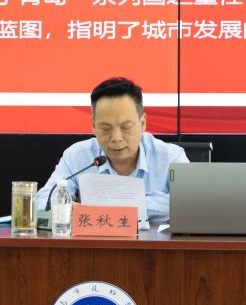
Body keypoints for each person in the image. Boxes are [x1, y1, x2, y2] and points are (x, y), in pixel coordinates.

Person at [36, 77, 188, 222]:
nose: (116, 137)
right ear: (93, 125)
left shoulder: (171, 158)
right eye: (106, 128)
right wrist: (67, 209)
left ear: (143, 123)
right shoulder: (77, 157)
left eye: (126, 127)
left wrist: (107, 207)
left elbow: (191, 204)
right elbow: (43, 202)